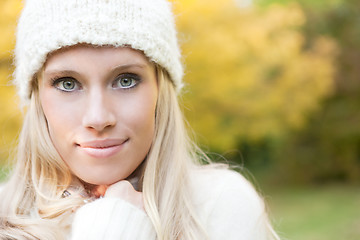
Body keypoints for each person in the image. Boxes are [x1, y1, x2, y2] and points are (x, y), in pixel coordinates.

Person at [0, 0, 279, 239]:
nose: (98, 118)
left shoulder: (220, 205)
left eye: (125, 80)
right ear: (37, 97)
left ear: (161, 90)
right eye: (67, 83)